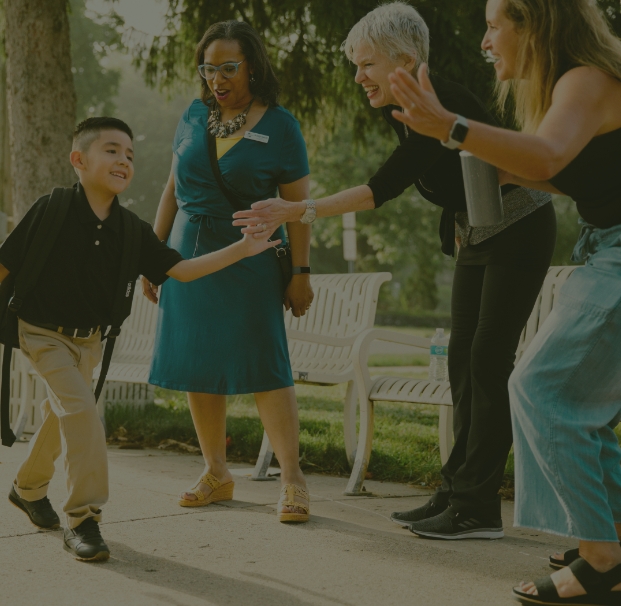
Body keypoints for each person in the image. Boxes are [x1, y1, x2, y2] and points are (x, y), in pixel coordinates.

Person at [233, 2, 556, 539]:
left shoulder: (440, 99)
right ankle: (456, 492)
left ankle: (477, 507)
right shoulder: (405, 106)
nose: (358, 77)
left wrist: (296, 211)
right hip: (478, 233)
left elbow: (385, 186)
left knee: (486, 360)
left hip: (519, 229)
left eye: (367, 65)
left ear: (405, 59)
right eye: (356, 66)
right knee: (462, 358)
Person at [389, 0, 621, 602]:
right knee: (576, 402)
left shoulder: (585, 79)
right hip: (606, 248)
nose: (486, 39)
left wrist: (451, 126)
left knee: (542, 387)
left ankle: (603, 560)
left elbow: (547, 155)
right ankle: (612, 538)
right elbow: (566, 169)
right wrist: (507, 169)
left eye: (495, 25)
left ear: (534, 23)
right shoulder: (574, 87)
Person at [3, 117, 280, 561]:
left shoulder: (131, 229)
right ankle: (84, 517)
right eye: (111, 150)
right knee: (80, 409)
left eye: (129, 154)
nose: (123, 160)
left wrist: (243, 249)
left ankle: (27, 488)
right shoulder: (51, 208)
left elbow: (182, 271)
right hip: (41, 332)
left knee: (64, 414)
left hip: (89, 342)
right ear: (79, 159)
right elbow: (6, 262)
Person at [144, 21, 313, 523]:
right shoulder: (194, 116)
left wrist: (301, 271)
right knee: (199, 361)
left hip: (254, 256)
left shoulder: (281, 126)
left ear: (253, 67)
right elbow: (172, 188)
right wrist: (153, 254)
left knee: (266, 364)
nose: (216, 78)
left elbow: (300, 208)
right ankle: (216, 471)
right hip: (189, 254)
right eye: (208, 67)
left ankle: (292, 478)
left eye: (228, 67)